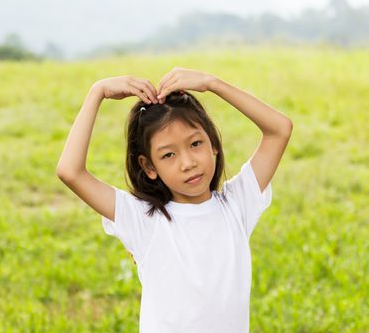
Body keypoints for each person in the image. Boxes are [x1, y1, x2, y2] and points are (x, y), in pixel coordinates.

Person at [56, 67, 293, 332]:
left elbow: (280, 129)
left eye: (195, 144)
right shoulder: (143, 219)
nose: (188, 163)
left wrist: (212, 83)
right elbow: (70, 171)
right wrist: (97, 92)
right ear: (149, 167)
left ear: (213, 143)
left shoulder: (237, 204)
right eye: (169, 155)